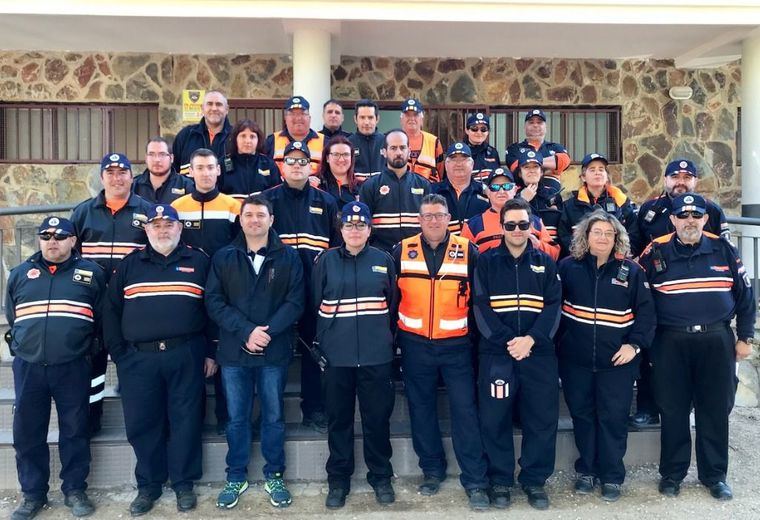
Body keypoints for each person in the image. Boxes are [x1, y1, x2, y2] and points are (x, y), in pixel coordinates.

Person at [638, 193, 755, 502]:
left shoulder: (723, 249)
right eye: (683, 216)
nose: (690, 221)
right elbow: (639, 298)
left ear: (705, 219)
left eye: (696, 216)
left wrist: (745, 338)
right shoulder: (654, 252)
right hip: (669, 342)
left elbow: (746, 297)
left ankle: (714, 475)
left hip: (716, 341)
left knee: (714, 409)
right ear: (673, 219)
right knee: (672, 408)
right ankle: (672, 474)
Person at [103, 204, 214, 516]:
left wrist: (210, 352)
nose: (163, 230)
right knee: (142, 423)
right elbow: (110, 311)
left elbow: (212, 309)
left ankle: (183, 484)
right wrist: (120, 354)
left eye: (169, 224)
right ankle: (149, 485)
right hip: (138, 360)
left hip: (187, 354)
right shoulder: (129, 264)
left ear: (180, 228)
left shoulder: (198, 261)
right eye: (156, 225)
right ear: (147, 229)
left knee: (187, 421)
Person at [392, 194, 491, 510]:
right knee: (421, 410)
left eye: (439, 215)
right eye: (427, 216)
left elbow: (479, 300)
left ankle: (475, 480)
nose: (433, 221)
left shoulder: (468, 251)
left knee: (465, 411)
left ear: (449, 218)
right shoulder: (400, 250)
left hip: (456, 346)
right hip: (414, 344)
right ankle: (431, 471)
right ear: (418, 219)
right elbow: (391, 297)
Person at [205, 195, 305, 510]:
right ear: (241, 219)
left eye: (261, 215)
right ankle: (236, 475)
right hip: (235, 352)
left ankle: (275, 474)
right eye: (248, 215)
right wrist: (246, 330)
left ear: (271, 219)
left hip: (273, 351)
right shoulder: (224, 256)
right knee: (236, 418)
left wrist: (266, 332)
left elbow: (295, 302)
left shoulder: (289, 257)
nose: (254, 220)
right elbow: (214, 301)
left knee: (274, 416)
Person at [6, 217, 106, 520]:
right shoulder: (21, 274)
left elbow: (101, 319)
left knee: (75, 430)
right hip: (30, 366)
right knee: (27, 433)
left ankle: (75, 490)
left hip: (73, 366)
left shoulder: (91, 273)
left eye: (61, 236)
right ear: (38, 239)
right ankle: (32, 494)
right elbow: (13, 316)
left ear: (73, 241)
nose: (53, 241)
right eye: (46, 235)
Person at [558, 210, 656, 502]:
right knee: (583, 417)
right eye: (596, 232)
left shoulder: (633, 271)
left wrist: (634, 346)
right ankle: (587, 470)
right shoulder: (567, 267)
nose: (602, 238)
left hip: (617, 363)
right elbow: (552, 308)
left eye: (608, 233)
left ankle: (612, 475)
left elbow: (648, 314)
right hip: (576, 362)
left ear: (617, 238)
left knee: (613, 419)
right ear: (586, 236)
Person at [473, 197, 562, 511]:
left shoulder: (545, 262)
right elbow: (480, 307)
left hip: (538, 355)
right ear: (501, 226)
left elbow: (554, 307)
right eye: (510, 224)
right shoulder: (485, 261)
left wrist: (532, 340)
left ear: (531, 226)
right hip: (498, 354)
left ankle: (534, 480)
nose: (517, 230)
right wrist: (510, 341)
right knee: (494, 419)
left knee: (541, 419)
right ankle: (500, 481)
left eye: (523, 224)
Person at [630, 158, 729, 430]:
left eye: (687, 176)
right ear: (665, 179)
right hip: (656, 297)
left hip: (695, 300)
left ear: (696, 181)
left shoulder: (711, 211)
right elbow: (635, 249)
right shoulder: (650, 210)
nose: (680, 181)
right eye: (675, 176)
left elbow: (725, 251)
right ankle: (648, 408)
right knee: (650, 357)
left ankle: (689, 410)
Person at [311, 201, 397, 508]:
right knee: (339, 420)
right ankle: (338, 478)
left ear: (370, 229)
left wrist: (386, 342)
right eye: (349, 225)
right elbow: (314, 305)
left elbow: (393, 306)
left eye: (361, 225)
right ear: (341, 229)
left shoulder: (384, 260)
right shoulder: (326, 261)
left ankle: (381, 475)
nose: (355, 230)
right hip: (337, 357)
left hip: (376, 356)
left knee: (377, 420)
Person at [70, 152, 152, 435]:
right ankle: (91, 422)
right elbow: (71, 256)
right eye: (111, 173)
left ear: (132, 176)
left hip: (131, 306)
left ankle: (139, 424)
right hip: (92, 303)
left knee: (132, 363)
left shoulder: (147, 211)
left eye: (122, 172)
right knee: (92, 366)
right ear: (102, 177)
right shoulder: (83, 212)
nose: (117, 178)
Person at [263, 140, 339, 433]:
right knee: (274, 352)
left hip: (314, 291)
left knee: (313, 352)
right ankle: (271, 413)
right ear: (282, 166)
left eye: (302, 161)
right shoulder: (267, 200)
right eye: (291, 161)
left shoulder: (326, 202)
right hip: (276, 292)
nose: (297, 166)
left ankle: (314, 409)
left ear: (312, 167)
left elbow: (335, 248)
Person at [171, 148, 241, 434]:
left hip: (225, 289)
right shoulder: (177, 207)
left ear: (218, 171)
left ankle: (226, 417)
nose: (205, 173)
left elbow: (240, 245)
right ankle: (194, 419)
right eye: (199, 168)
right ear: (190, 172)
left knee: (223, 351)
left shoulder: (232, 206)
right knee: (193, 352)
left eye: (210, 167)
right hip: (188, 286)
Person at [359, 129, 431, 252]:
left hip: (416, 254)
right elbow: (363, 225)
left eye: (402, 147)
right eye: (393, 148)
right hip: (380, 254)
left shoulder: (423, 185)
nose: (398, 152)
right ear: (384, 152)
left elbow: (429, 222)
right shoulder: (370, 186)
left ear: (409, 151)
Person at [462, 168, 559, 259]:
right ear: (488, 192)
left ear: (515, 190)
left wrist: (538, 245)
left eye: (507, 186)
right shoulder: (473, 226)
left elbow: (555, 254)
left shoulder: (534, 221)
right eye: (495, 187)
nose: (501, 191)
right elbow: (463, 259)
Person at [557, 153, 638, 257]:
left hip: (615, 261)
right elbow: (564, 235)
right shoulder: (569, 206)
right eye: (592, 170)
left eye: (601, 169)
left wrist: (621, 255)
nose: (597, 173)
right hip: (580, 262)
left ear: (606, 176)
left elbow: (634, 233)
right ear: (583, 177)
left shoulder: (622, 202)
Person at [504, 108, 571, 191]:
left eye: (539, 122)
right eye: (531, 122)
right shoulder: (514, 148)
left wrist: (528, 163)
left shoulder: (555, 147)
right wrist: (550, 167)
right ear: (525, 127)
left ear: (546, 127)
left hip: (551, 198)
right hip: (524, 197)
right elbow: (516, 168)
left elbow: (564, 161)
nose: (535, 125)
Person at [431, 142, 489, 235]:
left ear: (472, 164)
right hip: (444, 248)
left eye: (463, 159)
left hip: (478, 248)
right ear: (446, 165)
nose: (459, 164)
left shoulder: (485, 192)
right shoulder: (433, 192)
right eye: (454, 159)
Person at [173, 90, 232, 176]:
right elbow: (174, 172)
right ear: (202, 109)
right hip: (190, 190)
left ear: (227, 109)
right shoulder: (185, 135)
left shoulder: (236, 137)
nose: (214, 108)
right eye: (209, 104)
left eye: (219, 104)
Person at [220, 119, 280, 201]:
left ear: (258, 140)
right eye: (243, 136)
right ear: (235, 139)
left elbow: (277, 194)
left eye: (252, 137)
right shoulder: (223, 164)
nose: (248, 141)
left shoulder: (268, 164)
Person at [264, 96, 325, 175]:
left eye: (302, 113)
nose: (298, 118)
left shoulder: (325, 142)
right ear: (285, 118)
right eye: (293, 114)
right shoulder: (272, 141)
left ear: (309, 118)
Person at [514, 150, 563, 242]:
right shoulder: (513, 196)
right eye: (526, 167)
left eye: (536, 167)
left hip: (552, 248)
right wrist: (522, 200)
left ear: (541, 172)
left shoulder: (553, 194)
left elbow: (563, 227)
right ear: (520, 173)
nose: (531, 170)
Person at [132, 137, 194, 204]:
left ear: (171, 158)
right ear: (146, 158)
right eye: (151, 154)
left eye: (162, 154)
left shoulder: (186, 185)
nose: (157, 160)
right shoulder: (133, 185)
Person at [399, 99, 444, 182]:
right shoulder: (392, 140)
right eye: (407, 115)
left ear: (422, 119)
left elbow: (441, 172)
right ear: (401, 119)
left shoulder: (434, 142)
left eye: (415, 115)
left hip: (429, 192)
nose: (411, 118)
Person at [348, 99, 385, 182]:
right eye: (362, 117)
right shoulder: (347, 144)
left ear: (377, 119)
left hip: (383, 192)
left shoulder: (387, 142)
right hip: (356, 193)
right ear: (355, 119)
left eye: (370, 117)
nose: (366, 122)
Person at [319, 135, 360, 206]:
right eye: (336, 154)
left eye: (346, 154)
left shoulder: (361, 186)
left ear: (351, 157)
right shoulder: (316, 184)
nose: (341, 159)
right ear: (327, 158)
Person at [462, 113, 500, 182]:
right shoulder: (460, 152)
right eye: (474, 128)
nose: (479, 132)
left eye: (483, 129)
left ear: (488, 132)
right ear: (467, 130)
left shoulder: (492, 152)